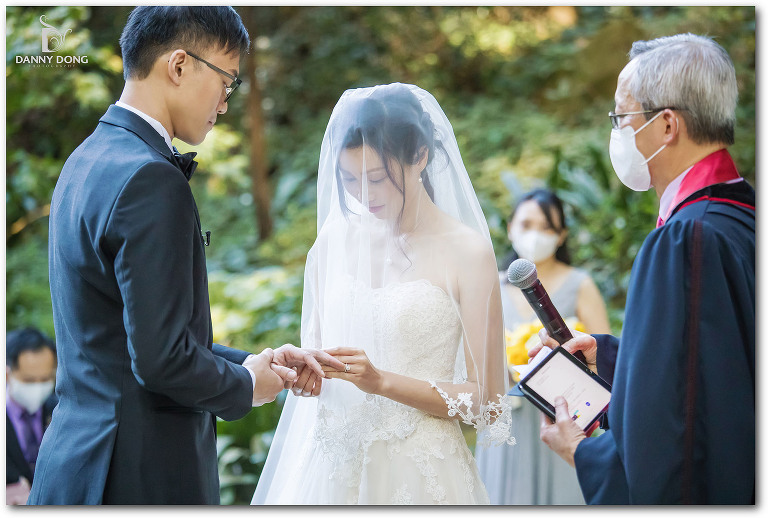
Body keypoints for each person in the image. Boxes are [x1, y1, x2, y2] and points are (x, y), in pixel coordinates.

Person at [28, 7, 342, 505]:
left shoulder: (86, 158)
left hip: (76, 463)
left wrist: (251, 363)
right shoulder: (150, 178)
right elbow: (161, 360)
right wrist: (245, 385)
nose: (225, 103)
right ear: (179, 65)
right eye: (227, 81)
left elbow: (130, 339)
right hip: (139, 474)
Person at [252, 83, 515, 505]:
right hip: (331, 470)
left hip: (422, 476)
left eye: (376, 178)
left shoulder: (468, 252)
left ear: (420, 157)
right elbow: (317, 354)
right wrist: (304, 372)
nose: (363, 194)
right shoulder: (333, 244)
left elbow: (488, 402)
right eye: (348, 179)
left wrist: (382, 382)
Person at [535, 33, 754, 504]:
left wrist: (582, 452)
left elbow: (673, 430)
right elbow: (718, 367)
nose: (617, 132)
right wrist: (611, 358)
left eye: (622, 116)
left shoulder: (686, 239)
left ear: (667, 125)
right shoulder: (741, 216)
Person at [474, 188, 610, 505]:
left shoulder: (580, 284)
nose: (535, 234)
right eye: (526, 225)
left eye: (547, 227)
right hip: (507, 414)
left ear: (561, 235)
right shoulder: (491, 284)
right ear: (510, 228)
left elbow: (603, 357)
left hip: (561, 414)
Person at [6, 328, 57, 505]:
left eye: (45, 379)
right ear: (7, 374)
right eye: (28, 380)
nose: (37, 388)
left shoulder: (60, 410)